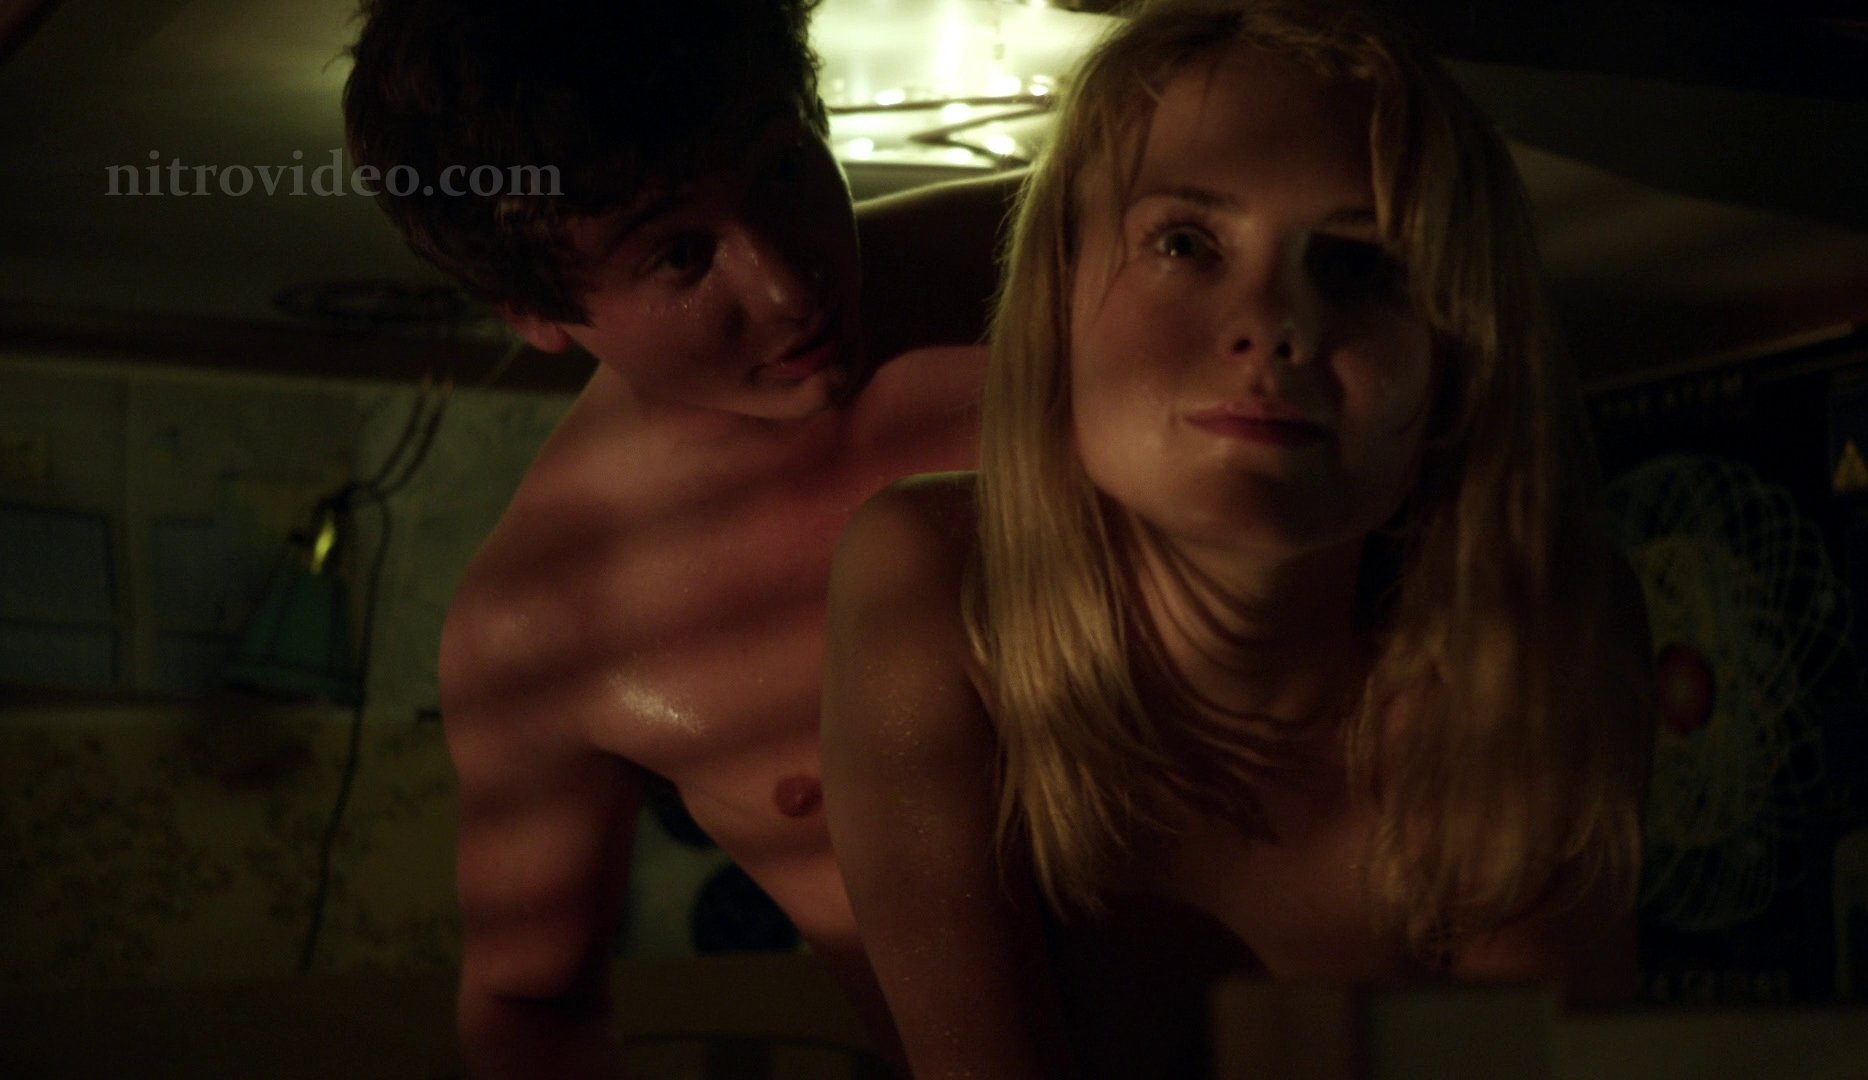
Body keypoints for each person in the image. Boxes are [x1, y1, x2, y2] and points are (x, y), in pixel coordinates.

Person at [820, 1, 1657, 1076]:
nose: (1274, 323)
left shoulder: (1542, 640)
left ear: (1455, 365)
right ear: (1059, 300)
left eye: (1360, 263)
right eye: (1184, 242)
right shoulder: (934, 582)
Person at [343, 1, 1012, 1075]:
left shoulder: (1055, 256)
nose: (788, 286)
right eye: (680, 255)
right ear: (531, 310)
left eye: (782, 172)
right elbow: (527, 997)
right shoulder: (549, 622)